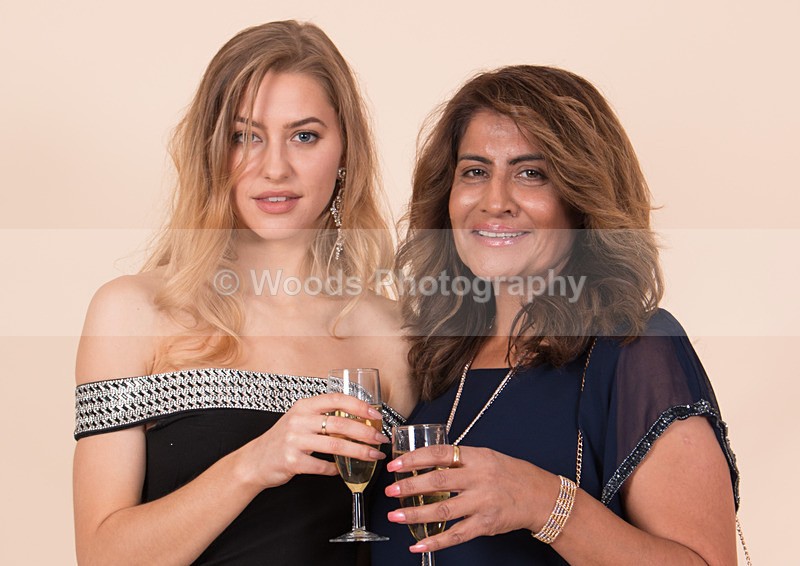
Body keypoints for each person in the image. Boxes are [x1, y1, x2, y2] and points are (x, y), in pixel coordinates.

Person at [73, 20, 414, 565]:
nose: (274, 167)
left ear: (345, 151)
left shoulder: (395, 335)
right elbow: (101, 557)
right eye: (245, 136)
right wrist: (253, 464)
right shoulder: (133, 312)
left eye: (304, 136)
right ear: (211, 152)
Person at [372, 65, 740, 565]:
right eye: (475, 171)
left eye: (531, 173)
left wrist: (543, 502)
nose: (495, 201)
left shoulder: (635, 348)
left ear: (581, 200)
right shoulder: (431, 361)